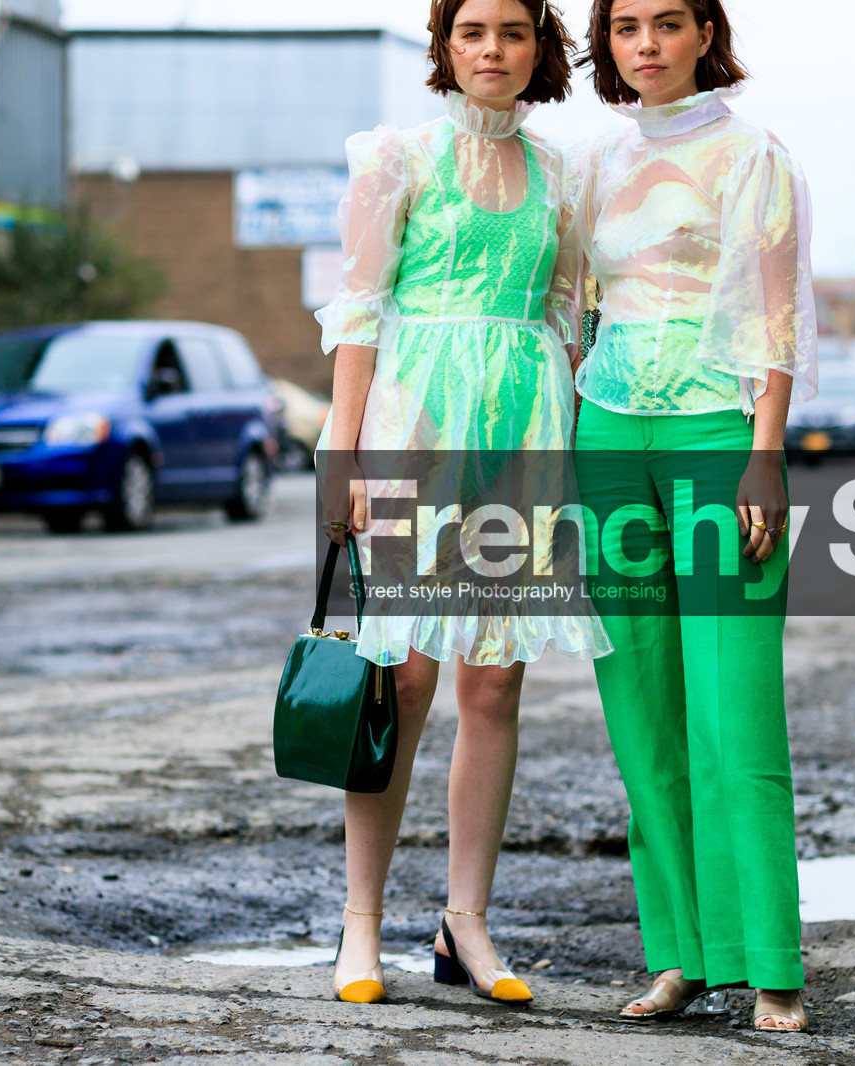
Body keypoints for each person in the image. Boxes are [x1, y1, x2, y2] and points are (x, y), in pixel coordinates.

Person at [316, 0, 610, 1006]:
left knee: (493, 684)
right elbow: (358, 313)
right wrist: (342, 455)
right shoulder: (394, 158)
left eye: (513, 33)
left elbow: (571, 318)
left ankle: (463, 925)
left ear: (541, 49)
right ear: (444, 46)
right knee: (398, 679)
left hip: (522, 435)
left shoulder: (564, 174)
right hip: (413, 426)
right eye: (473, 31)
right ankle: (359, 925)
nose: (492, 50)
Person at [569, 0, 818, 1032]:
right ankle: (675, 955)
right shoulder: (592, 164)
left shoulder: (752, 154)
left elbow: (779, 316)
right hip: (606, 437)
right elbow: (574, 307)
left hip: (721, 438)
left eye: (666, 22)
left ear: (703, 35)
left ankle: (770, 963)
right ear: (607, 44)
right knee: (641, 714)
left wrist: (765, 455)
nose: (646, 44)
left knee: (734, 708)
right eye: (625, 26)